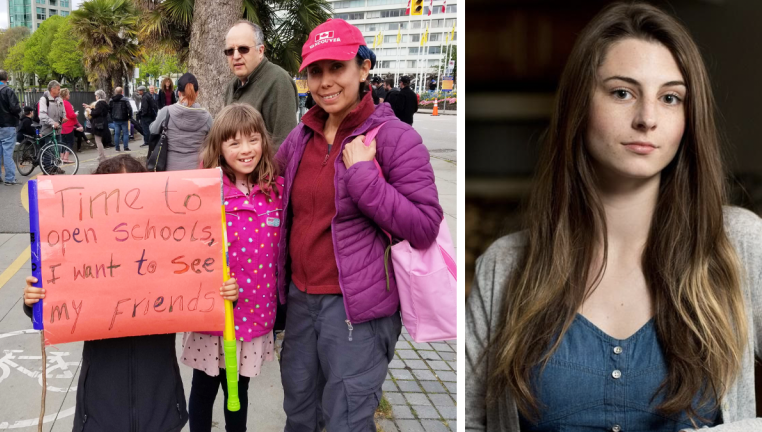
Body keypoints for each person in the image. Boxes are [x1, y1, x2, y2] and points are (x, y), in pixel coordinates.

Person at [466, 3, 762, 431]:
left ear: (688, 116)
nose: (647, 119)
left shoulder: (739, 244)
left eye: (670, 98)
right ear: (579, 104)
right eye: (622, 93)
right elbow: (471, 420)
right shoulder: (506, 266)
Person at [275, 18, 443, 432]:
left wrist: (365, 177)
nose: (325, 82)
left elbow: (425, 226)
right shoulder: (301, 137)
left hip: (356, 312)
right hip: (301, 301)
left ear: (364, 69)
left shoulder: (395, 138)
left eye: (337, 67)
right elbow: (268, 190)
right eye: (316, 71)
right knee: (299, 413)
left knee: (346, 420)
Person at [23, 155, 239, 431]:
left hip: (160, 408)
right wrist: (34, 300)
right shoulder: (85, 256)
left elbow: (203, 290)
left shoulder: (168, 250)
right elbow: (56, 300)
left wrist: (226, 293)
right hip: (100, 412)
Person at [182, 103, 283, 432]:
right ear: (219, 147)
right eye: (234, 142)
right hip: (215, 317)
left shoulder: (276, 191)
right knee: (203, 389)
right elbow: (187, 251)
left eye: (253, 139)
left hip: (255, 315)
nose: (246, 150)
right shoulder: (205, 193)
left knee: (239, 392)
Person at [224, 20, 298, 149]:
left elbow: (284, 145)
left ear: (260, 51)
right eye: (230, 51)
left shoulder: (278, 81)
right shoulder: (232, 86)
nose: (235, 56)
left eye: (243, 49)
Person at [150, 73, 212, 171]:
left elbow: (153, 130)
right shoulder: (207, 117)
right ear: (197, 93)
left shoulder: (166, 112)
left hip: (170, 170)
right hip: (197, 170)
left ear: (178, 93)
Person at [0, 70, 21, 185]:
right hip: (7, 125)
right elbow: (15, 108)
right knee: (7, 153)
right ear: (6, 79)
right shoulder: (8, 91)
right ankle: (9, 178)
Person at [82, 90, 109, 160]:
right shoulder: (104, 103)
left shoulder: (99, 103)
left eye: (96, 96)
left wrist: (89, 110)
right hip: (103, 123)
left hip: (98, 124)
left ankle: (101, 155)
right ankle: (102, 155)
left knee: (98, 141)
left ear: (99, 96)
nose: (95, 97)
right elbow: (99, 111)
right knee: (100, 140)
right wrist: (90, 107)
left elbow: (95, 113)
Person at [59, 88, 82, 163]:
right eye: (68, 94)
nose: (69, 95)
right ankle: (66, 158)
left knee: (62, 142)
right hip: (68, 125)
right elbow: (71, 115)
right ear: (65, 95)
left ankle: (61, 158)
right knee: (70, 142)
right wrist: (76, 114)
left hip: (61, 125)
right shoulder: (67, 103)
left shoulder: (59, 103)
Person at [109, 87, 133, 152]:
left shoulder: (111, 100)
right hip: (124, 118)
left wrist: (112, 117)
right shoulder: (125, 99)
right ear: (122, 92)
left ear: (115, 92)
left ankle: (117, 148)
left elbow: (109, 109)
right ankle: (125, 147)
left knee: (117, 134)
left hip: (115, 119)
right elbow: (130, 108)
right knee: (125, 133)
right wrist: (130, 116)